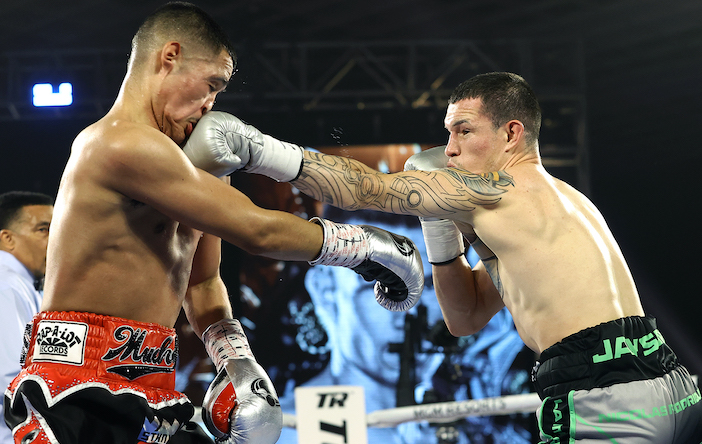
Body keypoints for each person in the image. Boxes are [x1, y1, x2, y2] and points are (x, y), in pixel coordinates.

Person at [2, 3, 424, 444]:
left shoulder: (185, 169)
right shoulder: (116, 142)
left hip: (152, 386)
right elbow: (256, 230)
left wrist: (236, 361)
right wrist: (368, 246)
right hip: (79, 386)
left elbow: (201, 282)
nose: (210, 105)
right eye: (211, 84)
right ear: (169, 56)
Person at [201, 71, 702, 443]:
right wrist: (439, 231)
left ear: (511, 133)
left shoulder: (495, 190)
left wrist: (259, 150)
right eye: (447, 133)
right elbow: (465, 316)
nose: (450, 148)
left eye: (464, 131)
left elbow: (365, 187)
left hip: (602, 395)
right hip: (668, 383)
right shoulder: (562, 200)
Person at [276, 207, 533, 444]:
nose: (407, 311)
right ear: (326, 290)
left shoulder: (486, 422)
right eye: (379, 285)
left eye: (430, 286)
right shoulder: (286, 430)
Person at [0, 191, 53, 444]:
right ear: (7, 239)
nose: (55, 240)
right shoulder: (6, 284)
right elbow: (9, 378)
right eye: (44, 230)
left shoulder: (22, 283)